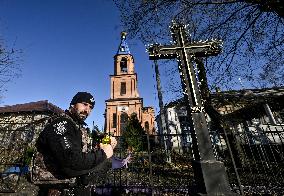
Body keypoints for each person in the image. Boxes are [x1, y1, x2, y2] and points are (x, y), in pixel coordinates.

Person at [35, 92, 117, 196]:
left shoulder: (77, 127)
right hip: (57, 188)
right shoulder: (61, 124)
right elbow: (72, 160)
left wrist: (101, 146)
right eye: (84, 104)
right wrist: (104, 153)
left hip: (76, 186)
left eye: (91, 107)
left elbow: (82, 153)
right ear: (73, 104)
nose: (87, 110)